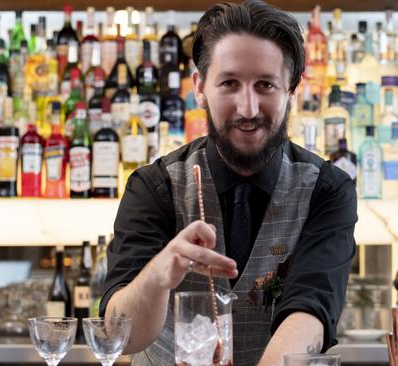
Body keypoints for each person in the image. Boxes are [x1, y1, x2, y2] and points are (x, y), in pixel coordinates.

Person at [100, 1, 357, 365]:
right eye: (230, 83)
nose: (248, 108)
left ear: (292, 92)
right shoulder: (154, 187)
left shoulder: (327, 190)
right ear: (200, 87)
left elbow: (310, 307)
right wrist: (158, 274)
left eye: (266, 85)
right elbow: (117, 335)